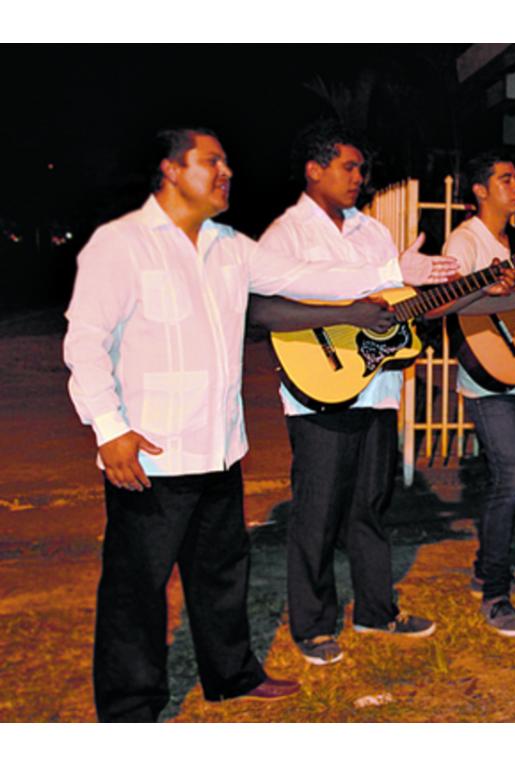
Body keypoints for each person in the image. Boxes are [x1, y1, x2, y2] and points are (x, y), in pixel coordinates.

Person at [63, 127, 450, 721]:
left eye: (227, 163)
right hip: (151, 453)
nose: (227, 173)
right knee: (136, 590)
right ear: (170, 171)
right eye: (211, 162)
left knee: (221, 574)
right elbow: (85, 341)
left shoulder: (230, 247)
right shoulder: (121, 245)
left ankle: (232, 676)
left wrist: (394, 269)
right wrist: (109, 428)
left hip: (219, 449)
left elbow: (305, 280)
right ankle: (129, 711)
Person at [251, 120, 461, 665]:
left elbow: (391, 305)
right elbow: (271, 300)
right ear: (313, 169)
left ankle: (375, 610)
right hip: (318, 386)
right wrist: (362, 298)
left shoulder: (371, 231)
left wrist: (435, 292)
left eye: (362, 169)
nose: (358, 178)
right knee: (317, 511)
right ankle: (314, 625)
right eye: (348, 167)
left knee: (370, 505)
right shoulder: (286, 233)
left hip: (378, 386)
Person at [443, 151, 515, 637]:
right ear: (479, 190)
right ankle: (495, 593)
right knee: (510, 479)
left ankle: (487, 568)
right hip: (485, 373)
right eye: (505, 179)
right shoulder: (465, 240)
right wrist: (506, 295)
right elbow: (450, 301)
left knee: (511, 477)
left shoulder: (514, 243)